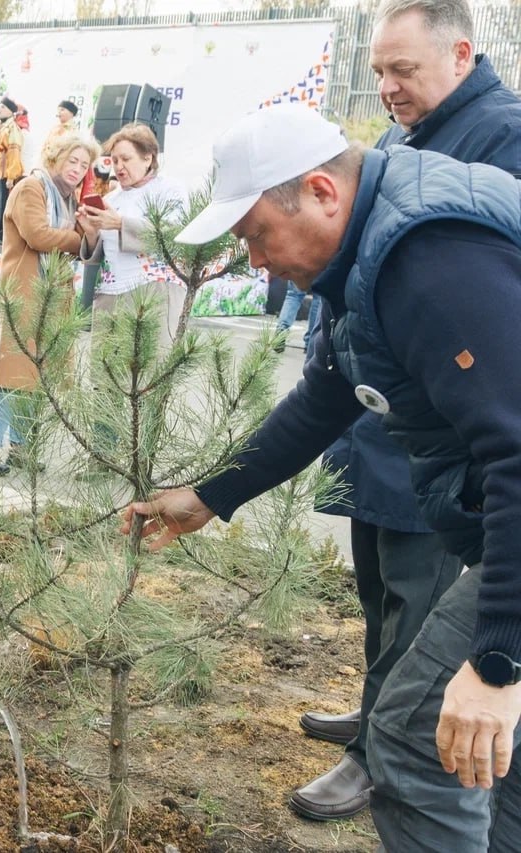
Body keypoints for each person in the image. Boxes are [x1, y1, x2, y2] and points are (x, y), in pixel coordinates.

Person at [131, 101, 521, 853]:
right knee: (496, 756)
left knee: (416, 737)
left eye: (255, 235)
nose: (255, 261)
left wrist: (498, 658)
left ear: (320, 191)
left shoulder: (428, 258)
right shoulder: (368, 257)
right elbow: (329, 392)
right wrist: (212, 495)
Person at [289, 0, 521, 823]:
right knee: (383, 589)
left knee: (429, 613)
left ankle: (389, 749)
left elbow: (500, 399)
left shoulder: (501, 139)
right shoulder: (399, 143)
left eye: (403, 70)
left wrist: (496, 661)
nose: (387, 87)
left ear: (461, 53)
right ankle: (386, 717)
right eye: (379, 72)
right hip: (385, 414)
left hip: (462, 434)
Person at [0, 132, 98, 477]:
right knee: (16, 374)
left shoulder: (67, 198)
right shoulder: (32, 187)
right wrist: (81, 239)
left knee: (37, 374)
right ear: (55, 156)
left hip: (51, 294)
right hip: (26, 291)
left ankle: (23, 448)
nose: (78, 169)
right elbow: (38, 235)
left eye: (84, 165)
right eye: (73, 160)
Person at [76, 122, 186, 350]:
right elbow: (100, 256)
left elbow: (174, 237)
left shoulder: (170, 190)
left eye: (126, 159)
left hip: (152, 293)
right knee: (105, 376)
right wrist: (91, 232)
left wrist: (120, 224)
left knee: (145, 374)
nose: (119, 166)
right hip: (110, 296)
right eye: (114, 160)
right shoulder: (113, 198)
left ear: (148, 158)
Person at [0, 96, 24, 247]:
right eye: (0, 107)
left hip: (6, 173)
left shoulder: (13, 129)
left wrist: (11, 176)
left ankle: (2, 233)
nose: (0, 110)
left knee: (4, 205)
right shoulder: (1, 126)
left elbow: (14, 154)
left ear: (10, 111)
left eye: (3, 107)